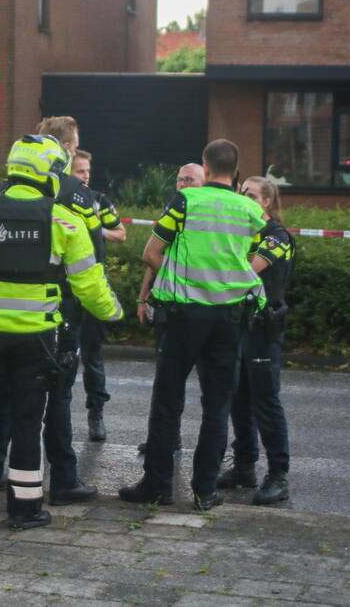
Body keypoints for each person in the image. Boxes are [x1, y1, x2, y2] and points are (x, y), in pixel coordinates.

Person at [0, 135, 122, 529]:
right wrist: (114, 312)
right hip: (37, 342)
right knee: (30, 421)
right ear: (49, 174)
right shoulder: (66, 221)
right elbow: (90, 287)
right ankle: (24, 509)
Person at [119, 139, 266, 511]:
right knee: (217, 405)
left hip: (184, 317)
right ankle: (205, 490)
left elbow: (150, 253)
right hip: (229, 319)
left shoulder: (185, 202)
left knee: (168, 400)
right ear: (235, 171)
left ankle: (157, 485)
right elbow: (258, 254)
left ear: (205, 164)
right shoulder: (250, 210)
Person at [34, 116, 105, 504]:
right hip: (62, 311)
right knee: (58, 397)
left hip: (10, 310)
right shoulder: (76, 192)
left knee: (12, 396)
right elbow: (93, 255)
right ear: (63, 148)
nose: (76, 153)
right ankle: (63, 479)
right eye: (75, 148)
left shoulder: (12, 188)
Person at [217, 176, 294, 505]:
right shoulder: (243, 233)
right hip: (239, 326)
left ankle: (278, 474)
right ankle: (244, 467)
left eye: (249, 194)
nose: (242, 197)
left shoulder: (277, 236)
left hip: (263, 329)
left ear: (265, 202)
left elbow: (249, 268)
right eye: (240, 192)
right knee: (239, 400)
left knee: (266, 402)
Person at [134, 162, 206, 455]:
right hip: (170, 306)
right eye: (179, 180)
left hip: (200, 307)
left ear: (205, 182)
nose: (183, 185)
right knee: (166, 382)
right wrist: (142, 297)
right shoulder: (174, 209)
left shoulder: (204, 214)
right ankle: (164, 440)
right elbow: (152, 257)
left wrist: (184, 279)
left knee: (205, 385)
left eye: (190, 179)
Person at [71, 149, 126, 441]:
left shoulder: (98, 200)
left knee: (93, 355)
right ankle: (55, 415)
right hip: (65, 289)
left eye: (87, 172)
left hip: (92, 286)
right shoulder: (58, 201)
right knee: (61, 355)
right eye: (80, 171)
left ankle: (96, 413)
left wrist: (94, 230)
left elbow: (119, 233)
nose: (86, 176)